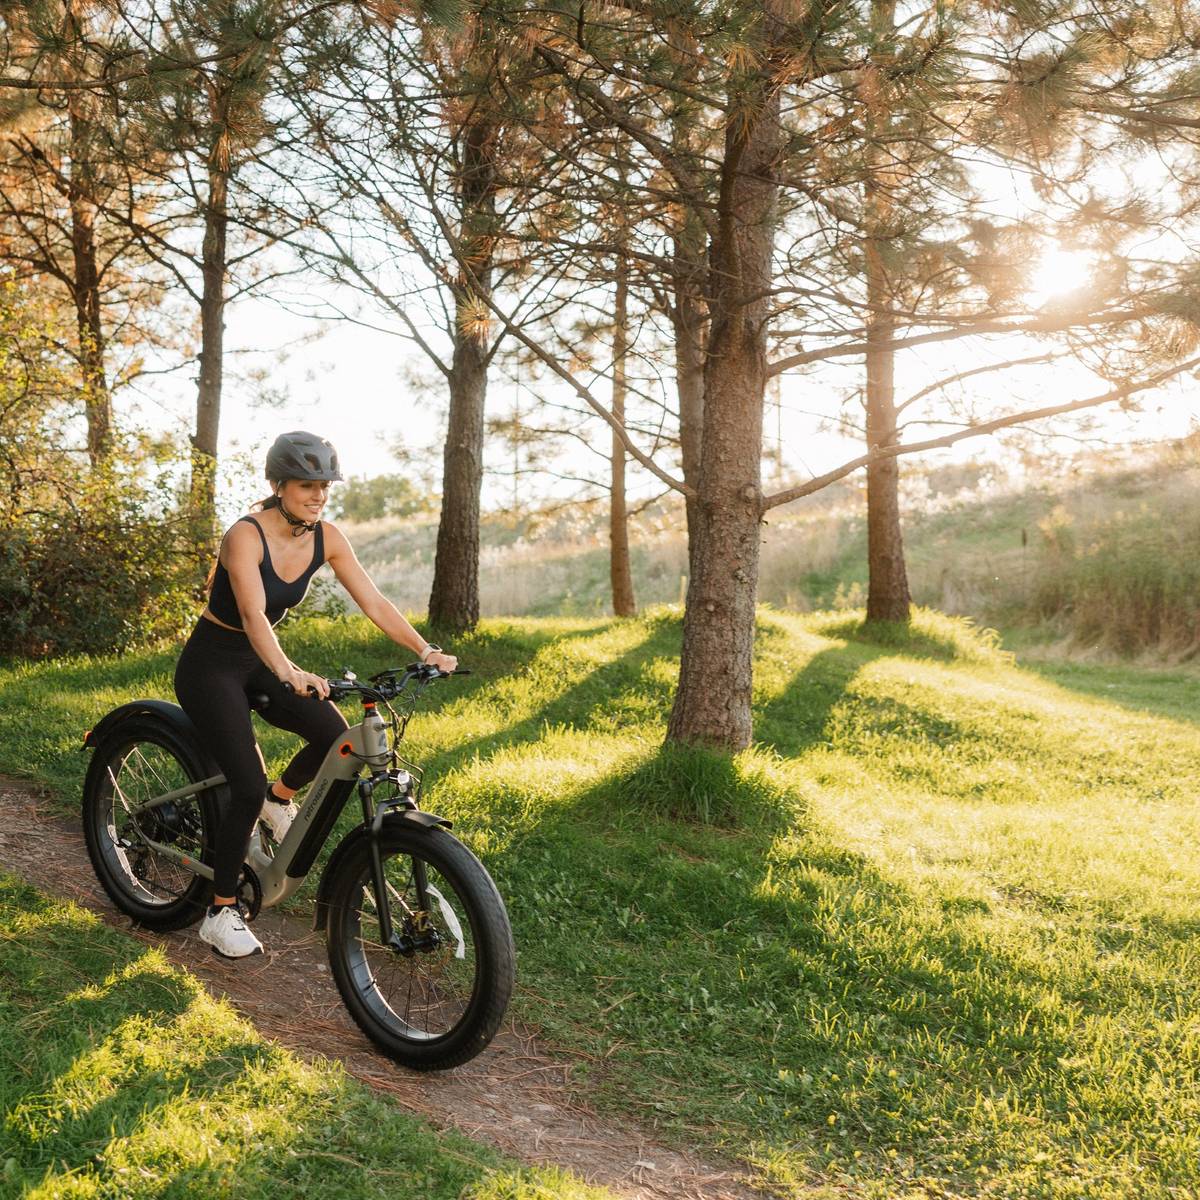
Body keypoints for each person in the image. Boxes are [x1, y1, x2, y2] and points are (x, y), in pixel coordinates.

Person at [174, 430, 457, 959]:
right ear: (279, 484)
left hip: (263, 659)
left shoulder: (328, 537)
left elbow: (373, 599)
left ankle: (276, 801)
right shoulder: (245, 535)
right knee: (242, 780)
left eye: (324, 485)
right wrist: (287, 671)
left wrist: (425, 649)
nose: (318, 495)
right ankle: (220, 909)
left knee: (335, 737)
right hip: (211, 664)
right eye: (307, 484)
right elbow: (254, 615)